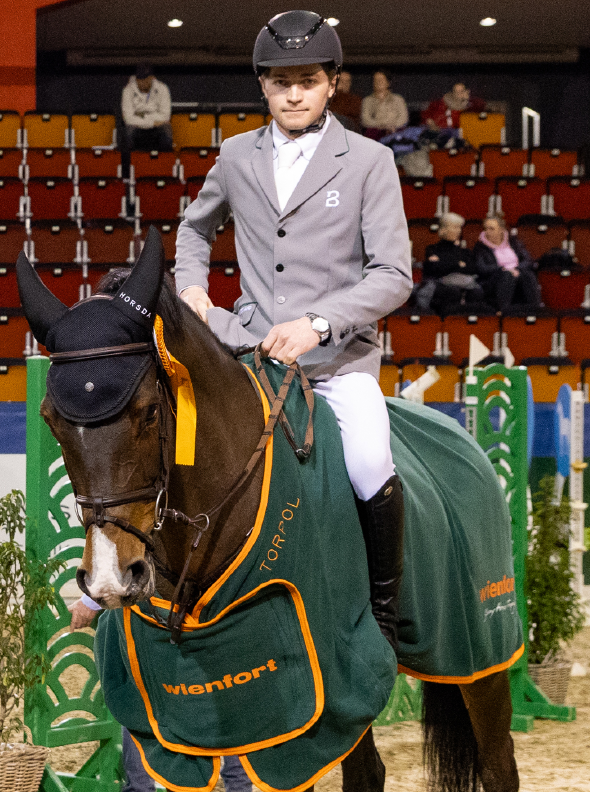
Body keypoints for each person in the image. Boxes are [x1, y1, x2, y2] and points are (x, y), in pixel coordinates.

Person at [175, 11, 412, 653]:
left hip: (337, 363)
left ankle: (385, 615)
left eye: (308, 80)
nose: (295, 94)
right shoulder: (234, 155)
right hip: (249, 352)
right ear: (263, 87)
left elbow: (395, 275)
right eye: (281, 82)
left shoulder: (369, 161)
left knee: (368, 463)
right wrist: (192, 284)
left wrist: (319, 322)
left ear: (332, 83)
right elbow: (195, 229)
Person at [68, 600, 253, 792]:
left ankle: (143, 787)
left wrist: (90, 602)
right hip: (212, 611)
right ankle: (236, 785)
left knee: (139, 692)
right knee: (229, 688)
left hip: (161, 614)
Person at [416, 212, 487, 314]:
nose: (458, 231)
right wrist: (458, 264)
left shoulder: (464, 251)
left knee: (476, 292)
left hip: (464, 284)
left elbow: (472, 268)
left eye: (459, 228)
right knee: (452, 292)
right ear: (443, 229)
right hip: (439, 285)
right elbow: (434, 269)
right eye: (454, 227)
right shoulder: (432, 249)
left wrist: (446, 263)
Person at [472, 214, 542, 314]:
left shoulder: (514, 242)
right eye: (486, 229)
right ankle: (504, 311)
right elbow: (482, 268)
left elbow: (528, 260)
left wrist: (517, 269)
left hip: (517, 273)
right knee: (506, 276)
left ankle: (535, 310)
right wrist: (503, 269)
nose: (488, 232)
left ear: (501, 229)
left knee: (528, 275)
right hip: (493, 279)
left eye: (491, 229)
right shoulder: (480, 247)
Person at [120, 64, 173, 152]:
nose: (142, 83)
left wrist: (139, 115)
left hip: (155, 127)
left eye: (145, 80)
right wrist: (152, 122)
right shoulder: (127, 90)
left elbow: (165, 116)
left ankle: (165, 162)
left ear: (151, 78)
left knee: (166, 129)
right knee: (128, 131)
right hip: (137, 126)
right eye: (139, 80)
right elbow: (128, 118)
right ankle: (129, 163)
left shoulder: (162, 88)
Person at [360, 70, 407, 139]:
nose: (378, 82)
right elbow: (365, 119)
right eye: (376, 80)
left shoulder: (398, 99)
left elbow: (403, 118)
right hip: (376, 132)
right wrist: (382, 126)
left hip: (395, 132)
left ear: (388, 82)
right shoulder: (367, 100)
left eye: (381, 79)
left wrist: (392, 126)